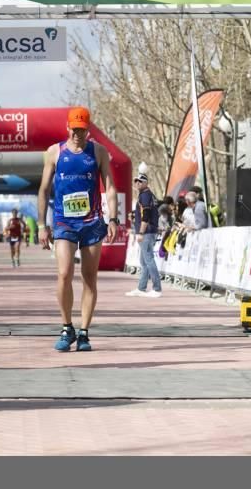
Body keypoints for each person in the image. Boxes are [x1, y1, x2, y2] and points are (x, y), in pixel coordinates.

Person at [37, 107, 118, 353]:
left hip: (92, 222)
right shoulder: (55, 152)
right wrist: (42, 225)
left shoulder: (99, 152)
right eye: (74, 129)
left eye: (82, 130)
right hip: (64, 222)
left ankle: (83, 332)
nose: (77, 134)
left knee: (89, 277)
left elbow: (111, 188)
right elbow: (43, 190)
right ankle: (66, 327)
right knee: (64, 273)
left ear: (88, 129)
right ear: (67, 127)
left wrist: (113, 219)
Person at [126, 173, 162, 298]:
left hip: (146, 232)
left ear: (146, 183)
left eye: (140, 181)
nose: (137, 183)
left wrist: (141, 232)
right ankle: (141, 288)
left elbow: (146, 215)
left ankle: (157, 289)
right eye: (136, 181)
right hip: (149, 231)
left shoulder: (145, 196)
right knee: (143, 261)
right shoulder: (148, 195)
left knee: (149, 259)